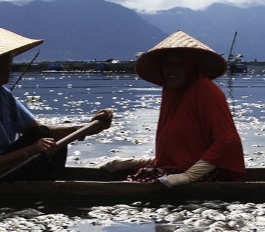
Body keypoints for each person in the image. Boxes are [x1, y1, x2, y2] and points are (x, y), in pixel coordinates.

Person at [0, 25, 113, 185]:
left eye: (8, 60)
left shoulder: (2, 95)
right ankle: (43, 191)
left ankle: (45, 187)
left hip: (3, 170)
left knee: (46, 135)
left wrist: (88, 128)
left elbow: (38, 129)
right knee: (41, 137)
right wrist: (29, 151)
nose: (7, 67)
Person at [103, 31, 245, 187]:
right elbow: (179, 153)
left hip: (203, 174)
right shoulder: (172, 92)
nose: (171, 70)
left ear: (191, 67)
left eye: (179, 65)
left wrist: (188, 176)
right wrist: (134, 163)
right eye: (167, 65)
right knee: (129, 183)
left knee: (132, 190)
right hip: (173, 169)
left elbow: (227, 141)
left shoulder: (207, 91)